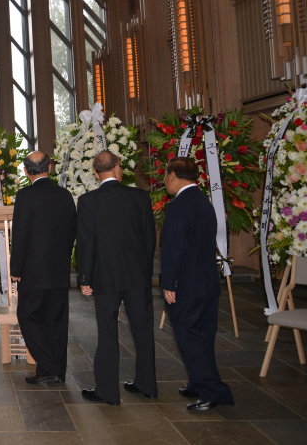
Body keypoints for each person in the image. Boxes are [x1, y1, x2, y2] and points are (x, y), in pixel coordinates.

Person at [76, 151, 157, 405]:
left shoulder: (88, 201)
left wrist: (85, 277)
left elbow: (86, 242)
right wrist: (145, 270)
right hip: (137, 275)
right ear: (118, 167)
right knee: (143, 329)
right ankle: (147, 385)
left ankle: (108, 392)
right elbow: (150, 238)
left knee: (108, 332)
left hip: (105, 276)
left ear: (95, 172)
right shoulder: (140, 197)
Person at [161, 157, 235, 411]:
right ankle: (197, 382)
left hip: (187, 285)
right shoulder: (204, 202)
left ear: (173, 176)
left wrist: (169, 283)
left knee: (190, 337)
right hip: (207, 283)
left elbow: (174, 250)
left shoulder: (178, 206)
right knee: (203, 337)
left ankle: (214, 391)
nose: (165, 181)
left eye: (166, 176)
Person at [10, 152, 76, 384]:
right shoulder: (64, 195)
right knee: (56, 321)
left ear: (26, 171)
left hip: (34, 271)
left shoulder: (25, 195)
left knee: (27, 316)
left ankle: (49, 368)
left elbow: (20, 235)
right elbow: (72, 232)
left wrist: (16, 269)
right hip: (59, 269)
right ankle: (57, 371)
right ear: (49, 167)